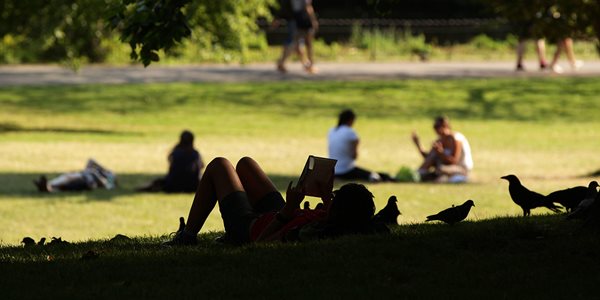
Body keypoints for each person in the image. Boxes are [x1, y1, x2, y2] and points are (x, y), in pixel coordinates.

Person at [163, 156, 389, 246]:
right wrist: (324, 195)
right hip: (280, 213)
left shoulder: (312, 233)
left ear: (341, 211)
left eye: (335, 198)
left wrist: (288, 210)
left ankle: (188, 236)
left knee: (219, 165)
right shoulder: (335, 220)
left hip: (251, 228)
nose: (332, 198)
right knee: (246, 164)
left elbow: (261, 244)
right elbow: (333, 216)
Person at [328, 109, 395, 182]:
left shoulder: (332, 131)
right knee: (373, 176)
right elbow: (354, 156)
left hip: (334, 170)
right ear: (351, 120)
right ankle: (388, 178)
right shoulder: (350, 132)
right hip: (346, 170)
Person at [137, 130, 204, 193]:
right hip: (193, 186)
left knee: (158, 182)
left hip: (172, 185)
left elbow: (170, 162)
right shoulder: (195, 153)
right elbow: (202, 166)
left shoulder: (176, 152)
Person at [411, 116, 473, 183]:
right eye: (435, 127)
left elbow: (454, 161)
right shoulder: (440, 140)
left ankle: (421, 174)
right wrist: (418, 144)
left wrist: (440, 152)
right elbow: (428, 158)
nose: (436, 129)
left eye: (438, 126)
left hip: (461, 169)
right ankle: (419, 174)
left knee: (440, 169)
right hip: (446, 168)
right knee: (434, 157)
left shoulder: (456, 138)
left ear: (446, 126)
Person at [276, 0, 319, 74]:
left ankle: (282, 61)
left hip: (296, 17)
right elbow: (307, 6)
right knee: (308, 44)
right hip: (304, 18)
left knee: (295, 42)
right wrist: (313, 20)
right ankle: (310, 65)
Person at [33, 159, 116, 192]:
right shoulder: (100, 171)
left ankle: (48, 186)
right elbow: (91, 161)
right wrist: (102, 169)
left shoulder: (110, 175)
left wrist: (96, 173)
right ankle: (47, 186)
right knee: (65, 178)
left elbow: (108, 185)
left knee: (68, 181)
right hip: (82, 175)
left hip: (88, 180)